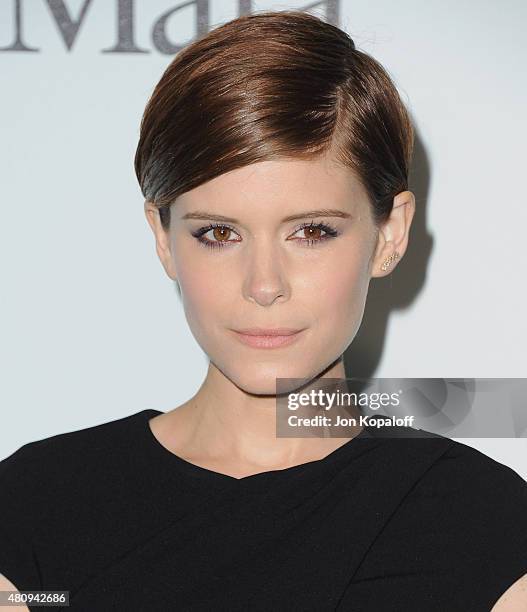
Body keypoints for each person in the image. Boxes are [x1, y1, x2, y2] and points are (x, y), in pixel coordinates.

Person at [1, 10, 526, 612]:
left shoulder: (478, 525)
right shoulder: (38, 507)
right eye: (219, 234)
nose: (264, 285)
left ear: (389, 235)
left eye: (312, 232)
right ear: (162, 237)